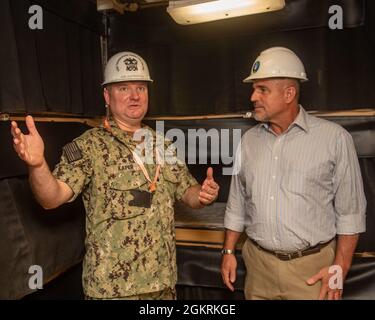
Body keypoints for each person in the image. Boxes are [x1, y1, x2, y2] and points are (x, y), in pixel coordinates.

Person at [11, 51, 220, 300]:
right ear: (107, 96)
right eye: (123, 88)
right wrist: (37, 165)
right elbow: (51, 198)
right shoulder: (87, 147)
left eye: (141, 88)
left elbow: (187, 193)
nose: (134, 96)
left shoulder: (163, 145)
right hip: (112, 291)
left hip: (161, 287)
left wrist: (203, 194)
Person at [221, 47, 366, 300]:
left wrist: (339, 270)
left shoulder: (334, 139)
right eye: (253, 89)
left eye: (262, 89)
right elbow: (237, 204)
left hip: (312, 272)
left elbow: (350, 214)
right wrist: (229, 252)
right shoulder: (248, 141)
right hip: (258, 269)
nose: (253, 96)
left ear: (289, 93)